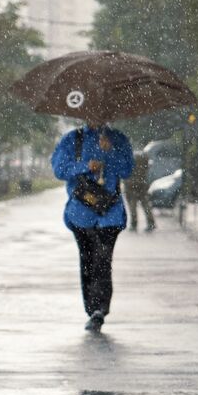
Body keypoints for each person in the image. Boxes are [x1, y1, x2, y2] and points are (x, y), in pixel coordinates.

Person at [51, 120, 134, 331]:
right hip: (81, 212)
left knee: (103, 259)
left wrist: (110, 152)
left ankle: (100, 309)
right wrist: (86, 166)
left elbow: (127, 170)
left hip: (110, 212)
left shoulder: (118, 139)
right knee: (87, 258)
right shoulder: (73, 139)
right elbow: (59, 169)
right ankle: (91, 307)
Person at [123, 148, 155, 232]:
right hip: (141, 185)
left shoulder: (128, 160)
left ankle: (134, 223)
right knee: (145, 204)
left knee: (133, 206)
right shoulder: (143, 160)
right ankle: (151, 222)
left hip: (131, 186)